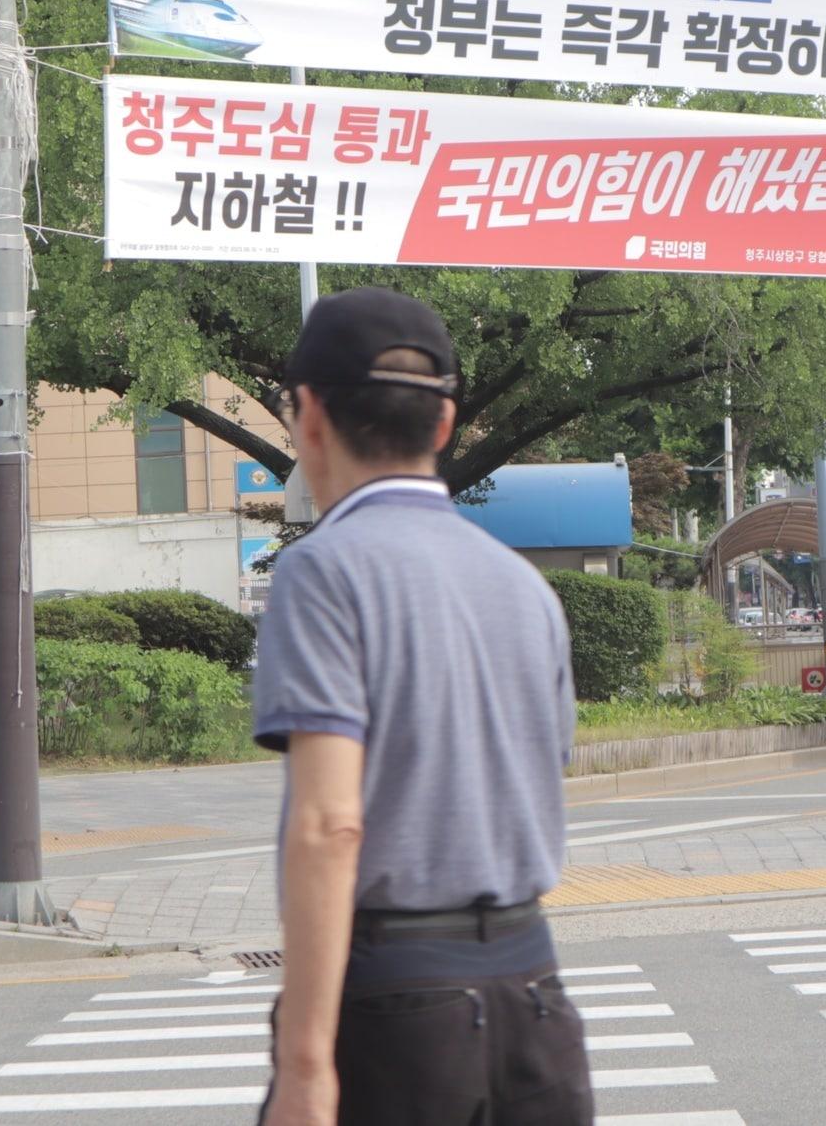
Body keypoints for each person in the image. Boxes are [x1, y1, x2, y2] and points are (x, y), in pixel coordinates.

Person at [252, 286, 593, 1126]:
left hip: (395, 1011)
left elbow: (330, 824)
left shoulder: (323, 573)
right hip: (534, 1000)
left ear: (308, 416)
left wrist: (303, 1067)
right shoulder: (525, 588)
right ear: (443, 427)